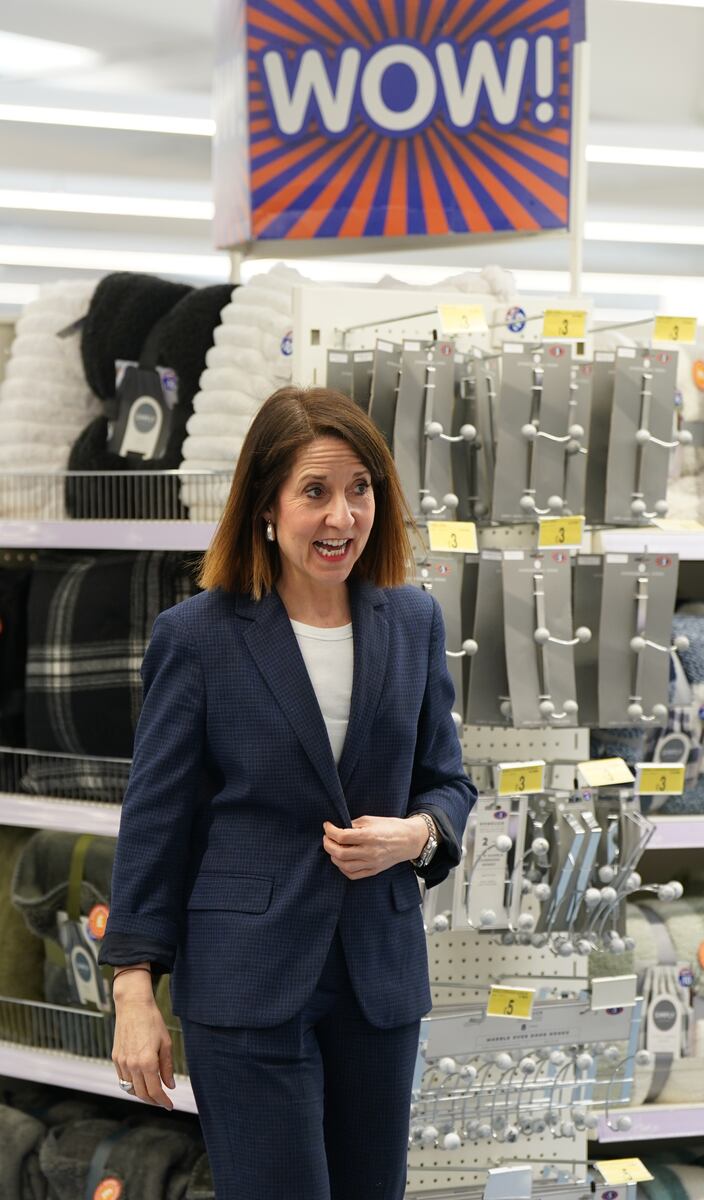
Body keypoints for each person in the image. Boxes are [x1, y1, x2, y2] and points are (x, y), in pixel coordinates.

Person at [98, 385, 477, 1200]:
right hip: (247, 980)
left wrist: (414, 835)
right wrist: (134, 992)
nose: (341, 517)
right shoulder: (196, 638)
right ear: (266, 504)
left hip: (377, 978)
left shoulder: (412, 622)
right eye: (315, 492)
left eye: (359, 490)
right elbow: (155, 823)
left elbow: (448, 782)